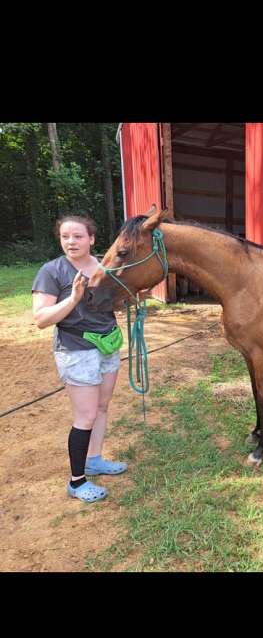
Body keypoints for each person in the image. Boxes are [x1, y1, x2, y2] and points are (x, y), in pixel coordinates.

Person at [31, 213, 128, 503]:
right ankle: (77, 481)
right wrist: (72, 299)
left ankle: (94, 459)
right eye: (65, 237)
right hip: (75, 350)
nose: (71, 242)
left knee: (101, 406)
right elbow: (41, 319)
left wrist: (133, 296)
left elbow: (111, 303)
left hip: (107, 345)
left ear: (91, 239)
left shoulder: (103, 265)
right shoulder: (52, 272)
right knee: (85, 415)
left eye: (77, 236)